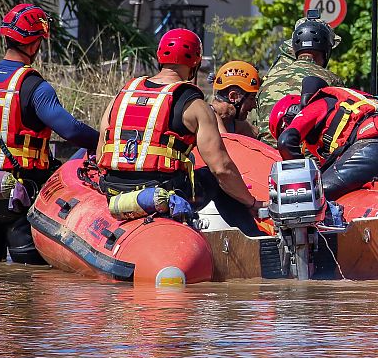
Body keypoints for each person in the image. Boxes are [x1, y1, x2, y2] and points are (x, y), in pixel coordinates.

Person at [0, 3, 100, 264]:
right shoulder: (35, 87)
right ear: (34, 44)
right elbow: (70, 129)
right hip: (22, 193)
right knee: (30, 279)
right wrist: (103, 142)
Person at [96, 28, 267, 234]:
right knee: (215, 178)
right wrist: (250, 203)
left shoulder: (122, 95)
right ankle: (255, 239)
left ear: (160, 58)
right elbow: (221, 168)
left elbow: (100, 156)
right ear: (195, 63)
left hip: (114, 193)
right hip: (164, 193)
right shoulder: (194, 105)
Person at [274, 77, 378, 200]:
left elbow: (286, 142)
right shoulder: (345, 100)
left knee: (314, 195)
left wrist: (301, 182)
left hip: (374, 148)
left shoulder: (314, 106)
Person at [253, 16, 344, 142]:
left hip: (267, 155)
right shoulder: (332, 80)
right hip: (310, 158)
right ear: (326, 49)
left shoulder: (269, 79)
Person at [210, 61, 261, 138]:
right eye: (251, 98)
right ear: (234, 96)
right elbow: (225, 145)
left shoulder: (233, 123)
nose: (254, 105)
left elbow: (261, 137)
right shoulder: (208, 118)